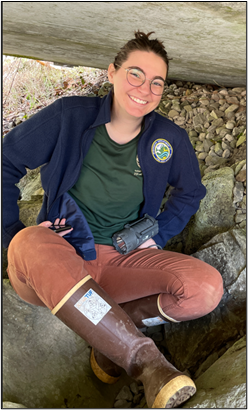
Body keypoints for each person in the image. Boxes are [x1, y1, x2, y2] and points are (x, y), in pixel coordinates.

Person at [3, 31, 224, 408]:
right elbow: (6, 162)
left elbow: (191, 192)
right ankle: (144, 360)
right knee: (25, 243)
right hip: (61, 258)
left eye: (157, 82)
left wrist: (161, 233)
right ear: (112, 72)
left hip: (124, 260)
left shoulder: (168, 139)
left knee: (206, 288)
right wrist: (11, 232)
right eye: (135, 74)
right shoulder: (68, 116)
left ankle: (109, 340)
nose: (145, 89)